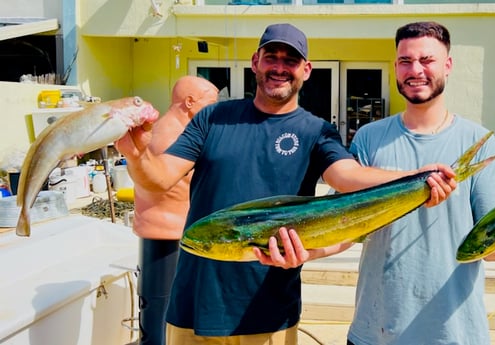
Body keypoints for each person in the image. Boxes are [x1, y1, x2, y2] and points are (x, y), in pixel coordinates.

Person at [115, 23, 455, 345]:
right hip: (191, 308)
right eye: (271, 57)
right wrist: (136, 154)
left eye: (290, 60)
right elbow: (158, 179)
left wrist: (416, 180)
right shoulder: (213, 118)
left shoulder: (316, 131)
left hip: (268, 314)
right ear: (255, 62)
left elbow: (348, 176)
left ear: (306, 70)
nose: (280, 67)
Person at [342, 21, 495, 345]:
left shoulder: (479, 143)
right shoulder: (369, 139)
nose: (415, 70)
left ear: (448, 65)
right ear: (396, 67)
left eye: (427, 60)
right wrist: (301, 249)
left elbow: (492, 249)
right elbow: (345, 226)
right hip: (374, 333)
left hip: (452, 335)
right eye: (405, 61)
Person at [133, 75, 218, 345]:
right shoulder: (174, 136)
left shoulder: (172, 130)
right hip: (169, 233)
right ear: (190, 102)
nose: (214, 109)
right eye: (211, 103)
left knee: (169, 307)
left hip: (173, 230)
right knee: (165, 309)